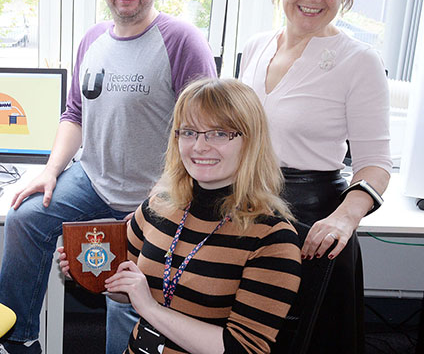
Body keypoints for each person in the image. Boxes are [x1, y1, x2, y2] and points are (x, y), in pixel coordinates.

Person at [0, 0, 217, 354]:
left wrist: (178, 193)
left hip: (158, 193)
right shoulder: (92, 40)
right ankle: (19, 339)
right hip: (93, 180)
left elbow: (205, 127)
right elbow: (74, 115)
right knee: (24, 218)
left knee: (126, 290)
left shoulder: (182, 40)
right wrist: (50, 171)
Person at [60, 78, 302, 354]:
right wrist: (92, 274)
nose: (199, 146)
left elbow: (243, 349)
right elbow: (125, 291)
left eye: (219, 133)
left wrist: (150, 309)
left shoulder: (272, 238)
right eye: (188, 132)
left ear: (250, 141)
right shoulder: (158, 206)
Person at [239, 0, 392, 353]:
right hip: (247, 210)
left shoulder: (359, 61)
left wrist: (344, 219)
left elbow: (375, 163)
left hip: (312, 226)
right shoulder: (255, 46)